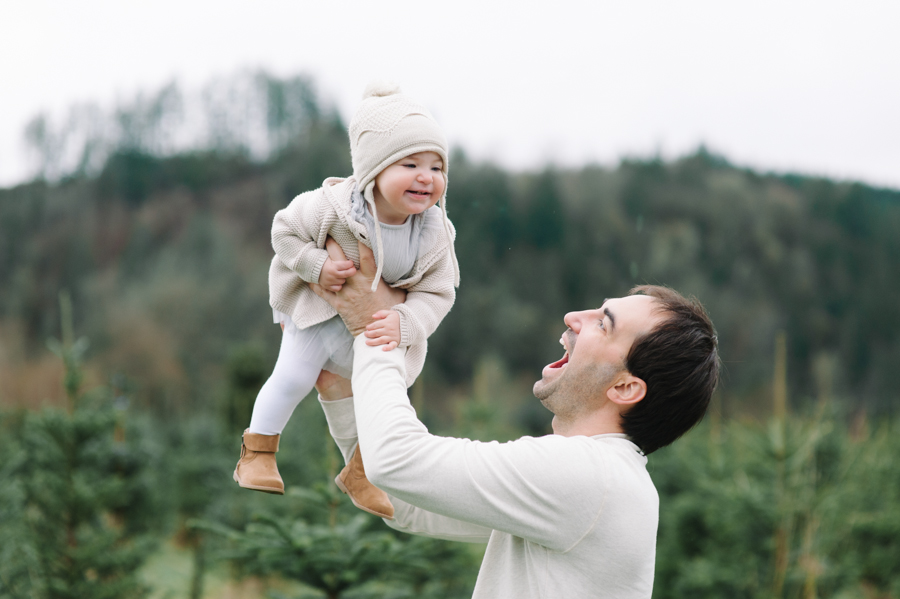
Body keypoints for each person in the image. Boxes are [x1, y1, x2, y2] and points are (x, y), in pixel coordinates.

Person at [310, 240, 719, 599]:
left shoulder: (590, 476)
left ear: (626, 389)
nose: (574, 316)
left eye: (603, 323)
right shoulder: (598, 482)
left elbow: (397, 461)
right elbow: (402, 502)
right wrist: (342, 393)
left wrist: (374, 327)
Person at [233, 82, 460, 521]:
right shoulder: (333, 207)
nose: (426, 177)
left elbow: (439, 292)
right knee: (296, 374)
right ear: (373, 169)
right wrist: (316, 265)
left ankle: (361, 473)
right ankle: (257, 452)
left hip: (380, 323)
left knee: (382, 396)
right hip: (318, 310)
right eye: (410, 163)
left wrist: (408, 322)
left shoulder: (435, 234)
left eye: (437, 167)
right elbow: (283, 233)